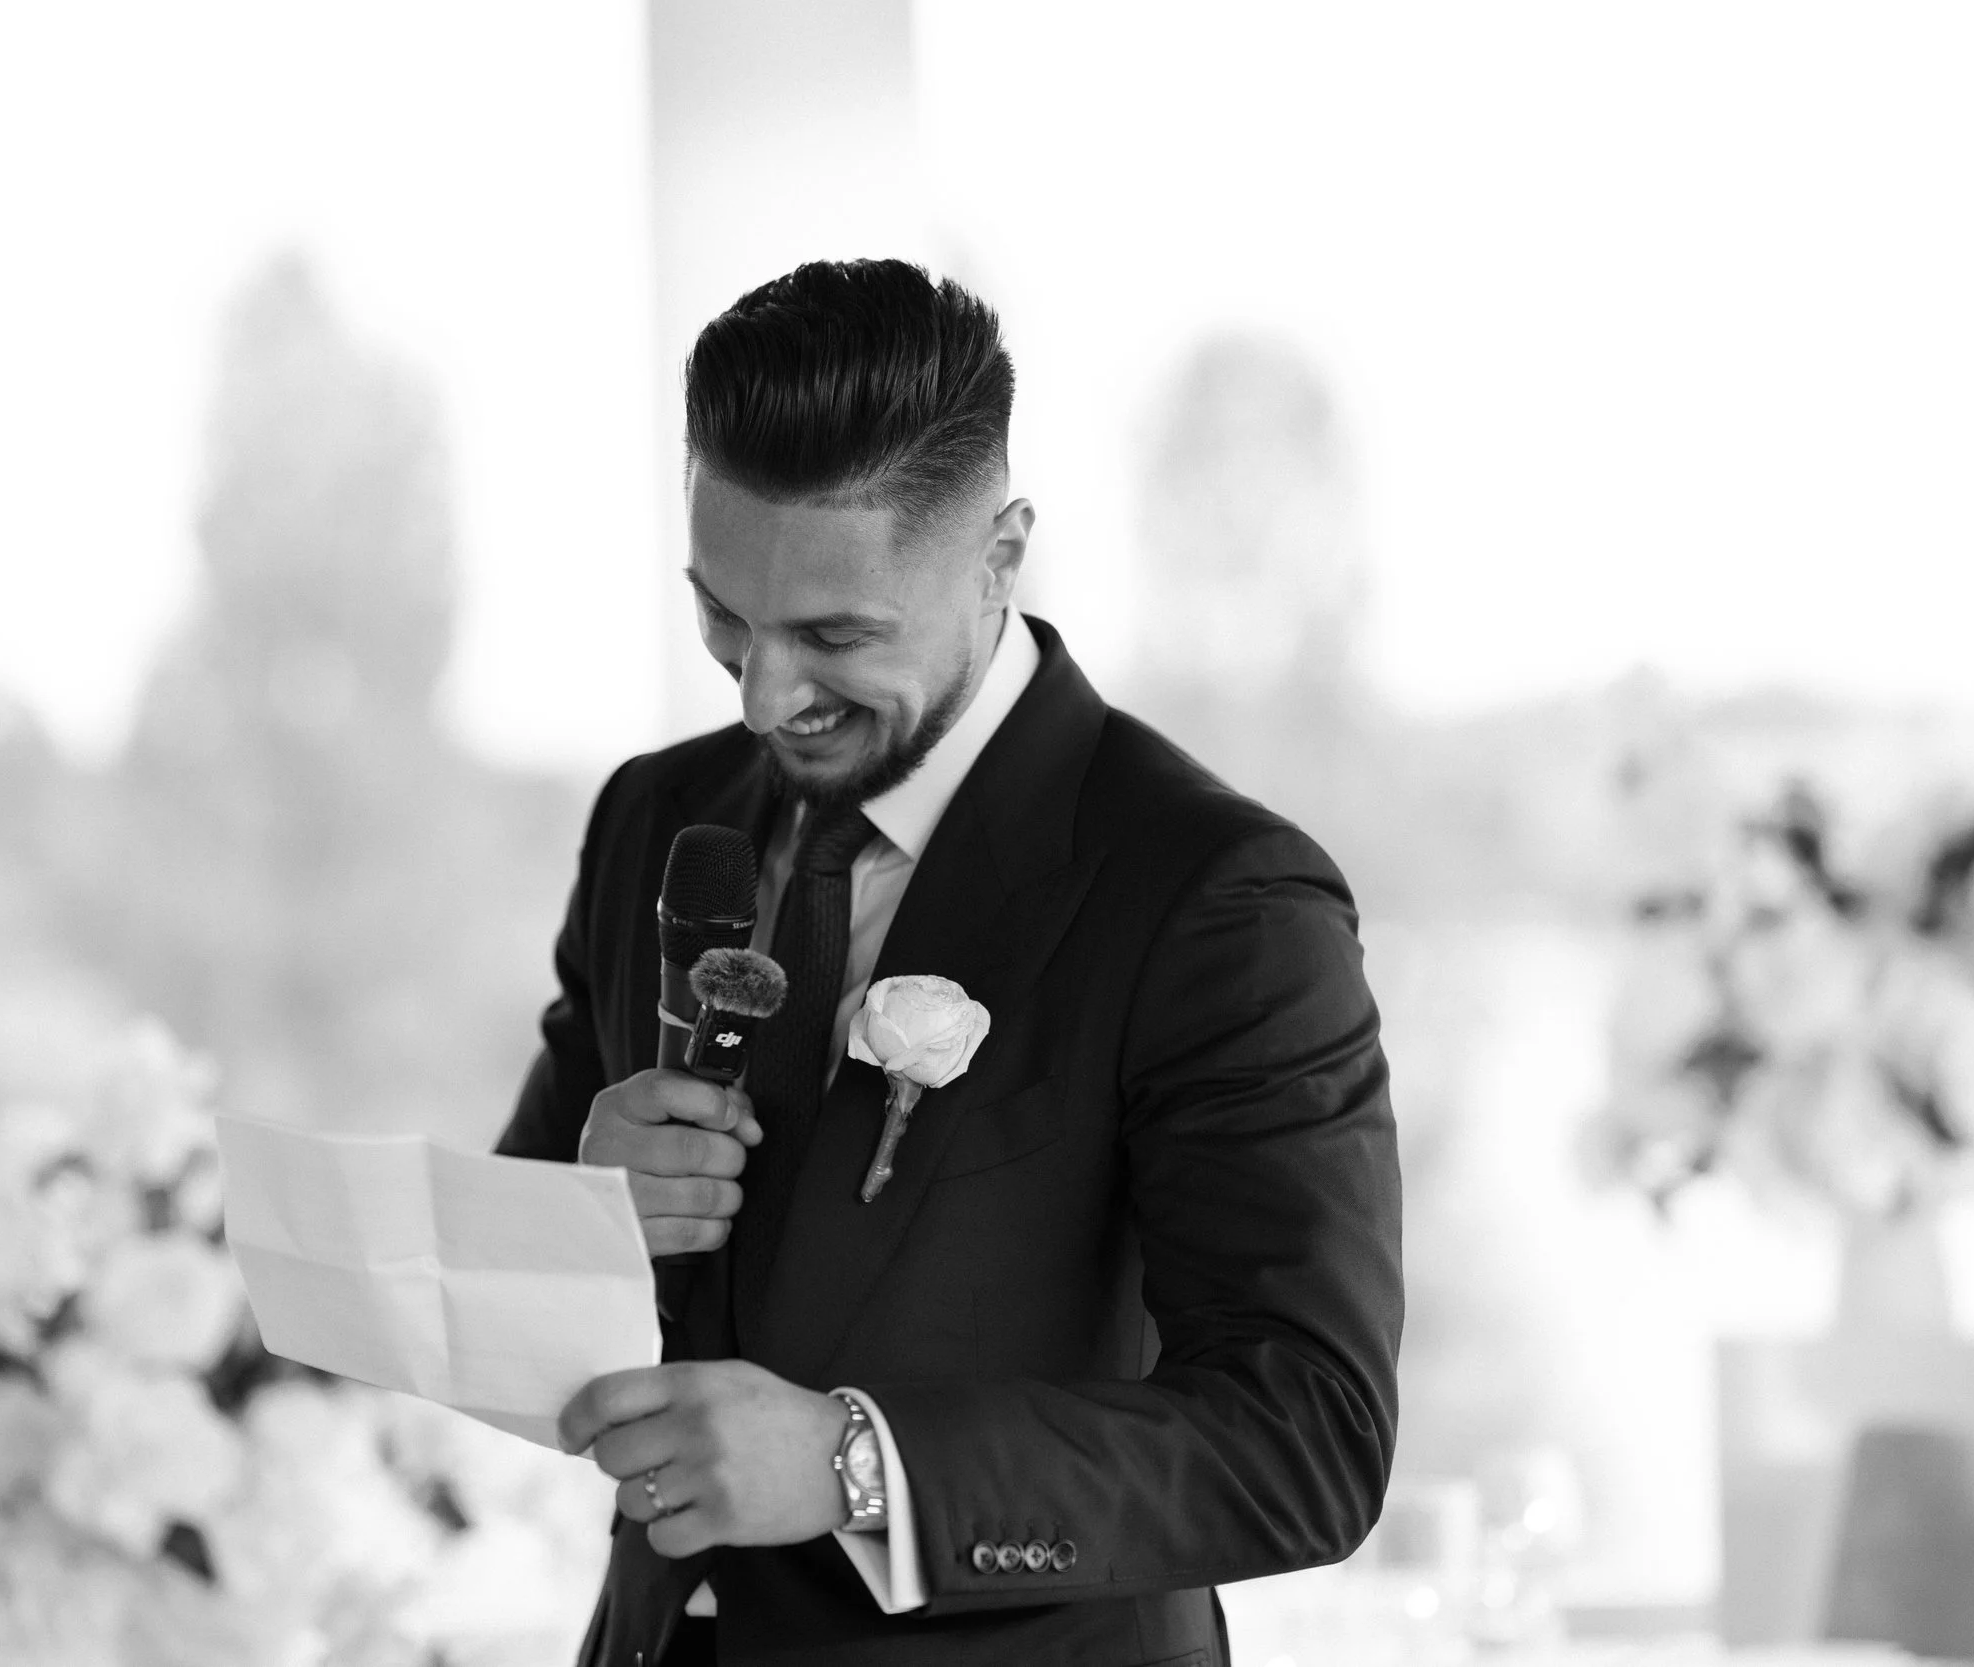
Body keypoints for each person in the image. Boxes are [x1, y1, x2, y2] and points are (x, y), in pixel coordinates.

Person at [495, 258, 1402, 1667]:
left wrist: (859, 1462)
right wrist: (580, 1208)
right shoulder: (654, 820)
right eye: (724, 614)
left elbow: (1306, 1438)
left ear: (1000, 552)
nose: (762, 694)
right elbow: (505, 1295)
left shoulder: (1216, 896)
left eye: (834, 636)